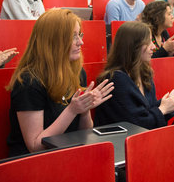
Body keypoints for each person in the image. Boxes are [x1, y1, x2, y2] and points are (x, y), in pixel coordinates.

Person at [7, 9, 114, 156]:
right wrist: (71, 110)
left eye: (80, 35)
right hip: (35, 164)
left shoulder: (76, 71)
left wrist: (84, 110)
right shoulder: (29, 82)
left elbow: (85, 133)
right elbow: (35, 146)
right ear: (53, 40)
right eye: (73, 37)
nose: (81, 42)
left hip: (69, 153)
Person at [94, 21, 174, 129]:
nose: (153, 47)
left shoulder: (145, 72)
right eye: (148, 42)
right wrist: (163, 109)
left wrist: (172, 103)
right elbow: (135, 124)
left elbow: (148, 112)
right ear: (133, 46)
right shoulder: (115, 79)